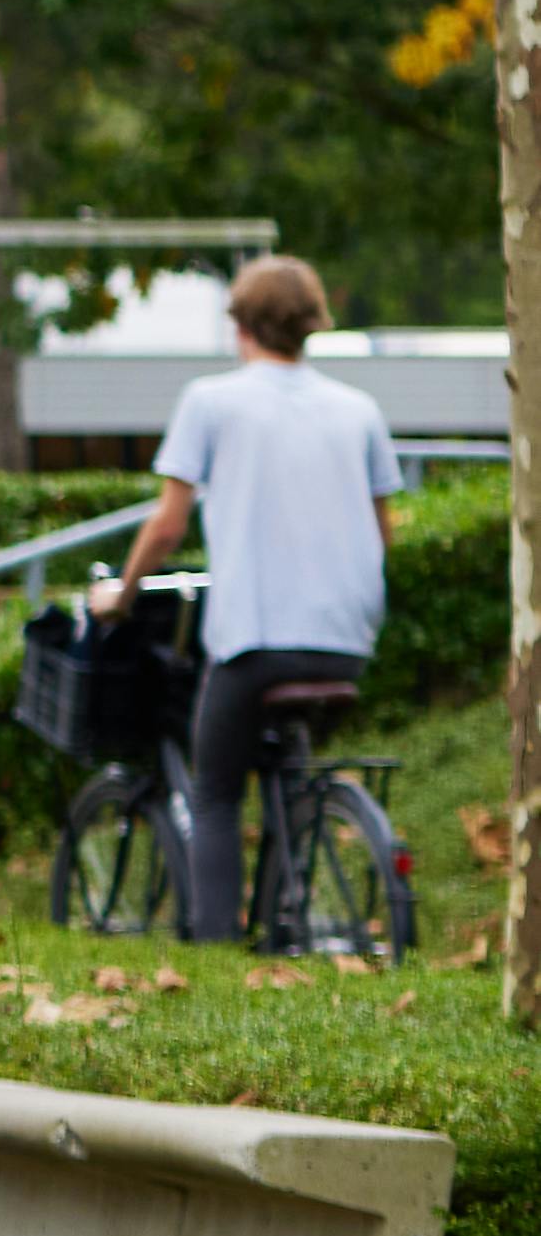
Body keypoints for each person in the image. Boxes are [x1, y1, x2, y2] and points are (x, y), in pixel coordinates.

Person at [101, 257, 402, 949]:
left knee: (213, 794)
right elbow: (383, 530)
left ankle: (215, 950)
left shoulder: (211, 401)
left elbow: (169, 524)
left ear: (241, 326)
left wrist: (123, 593)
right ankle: (292, 903)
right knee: (286, 765)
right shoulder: (358, 410)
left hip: (256, 642)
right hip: (347, 640)